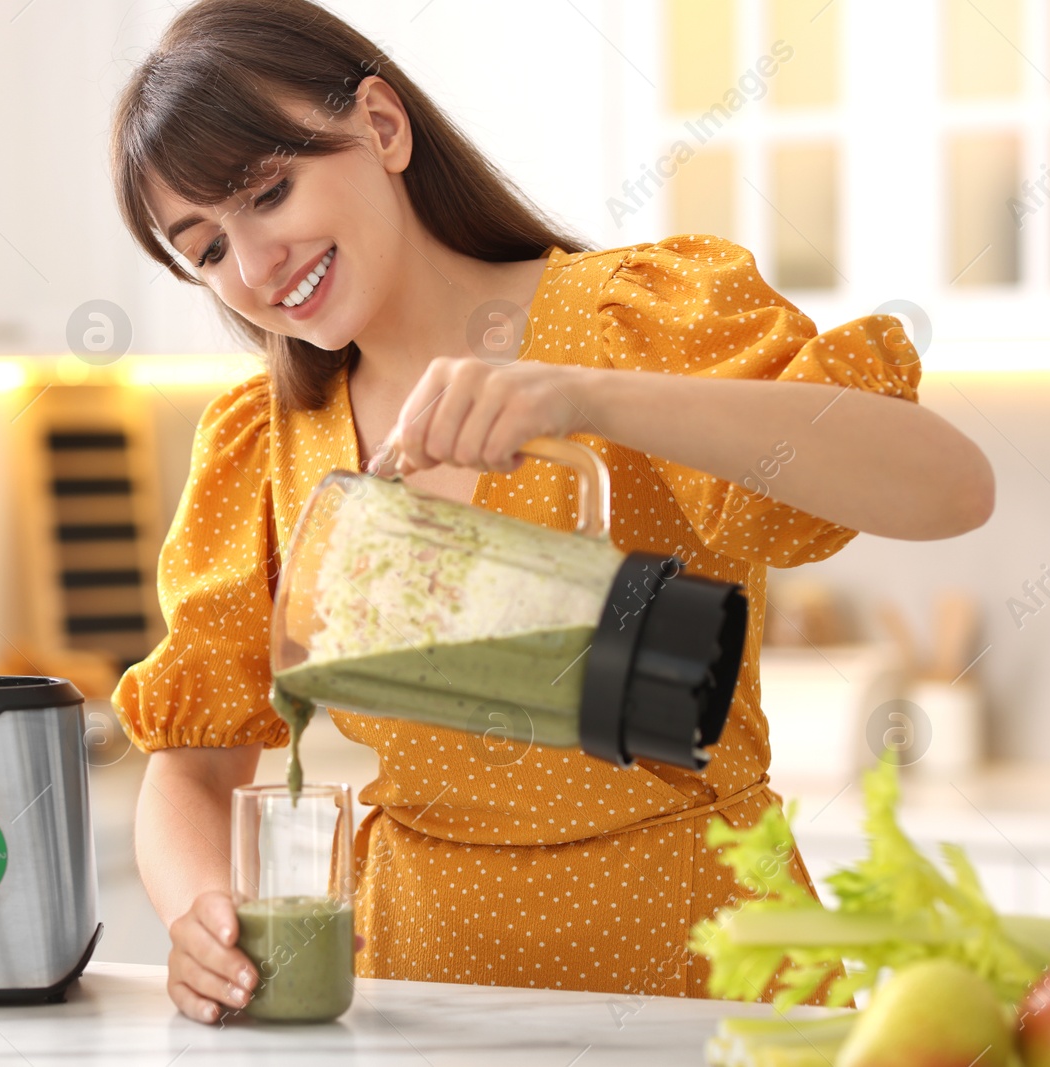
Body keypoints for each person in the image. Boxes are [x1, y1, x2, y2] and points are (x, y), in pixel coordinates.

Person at [107, 0, 995, 1026]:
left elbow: (949, 485)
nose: (255, 266)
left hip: (707, 971)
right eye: (207, 248)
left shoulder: (634, 315)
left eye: (269, 192)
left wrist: (584, 394)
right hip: (418, 991)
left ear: (383, 127)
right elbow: (192, 769)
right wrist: (199, 917)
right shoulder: (264, 440)